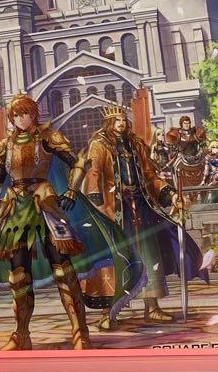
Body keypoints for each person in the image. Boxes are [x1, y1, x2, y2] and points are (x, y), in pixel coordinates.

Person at [0, 95, 143, 350]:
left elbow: (77, 162)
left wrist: (71, 190)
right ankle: (21, 335)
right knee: (18, 275)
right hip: (16, 209)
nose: (21, 119)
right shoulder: (7, 145)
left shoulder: (48, 138)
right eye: (16, 115)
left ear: (34, 114)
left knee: (63, 269)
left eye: (25, 113)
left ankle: (80, 332)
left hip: (45, 203)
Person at [83, 106, 208, 328]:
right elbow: (94, 174)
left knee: (150, 256)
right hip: (114, 210)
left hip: (141, 206)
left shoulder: (136, 144)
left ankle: (152, 307)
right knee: (115, 259)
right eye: (116, 120)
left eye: (123, 119)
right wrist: (96, 203)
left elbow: (150, 175)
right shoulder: (99, 145)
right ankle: (108, 314)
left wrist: (171, 195)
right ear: (109, 123)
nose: (121, 123)